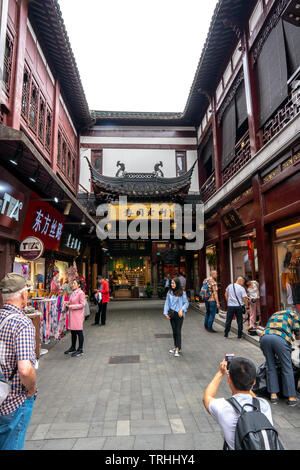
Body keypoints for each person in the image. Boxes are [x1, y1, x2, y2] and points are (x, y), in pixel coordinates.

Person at [0, 273, 37, 450]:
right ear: (23, 295)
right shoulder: (21, 323)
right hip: (13, 401)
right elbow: (24, 368)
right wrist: (31, 389)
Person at [203, 357, 273, 450]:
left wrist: (220, 373)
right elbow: (252, 396)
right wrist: (247, 380)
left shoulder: (223, 407)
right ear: (254, 382)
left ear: (229, 380)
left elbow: (207, 398)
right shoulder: (264, 404)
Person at [260, 309, 300, 406]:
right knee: (287, 367)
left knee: (270, 366)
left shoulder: (275, 313)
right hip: (280, 339)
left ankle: (273, 396)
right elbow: (298, 333)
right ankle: (291, 397)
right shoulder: (294, 315)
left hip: (264, 338)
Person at [163, 278, 189, 357]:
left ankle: (177, 349)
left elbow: (186, 303)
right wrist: (165, 313)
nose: (172, 284)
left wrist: (182, 309)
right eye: (171, 283)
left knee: (178, 331)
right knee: (174, 332)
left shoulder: (182, 293)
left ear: (177, 284)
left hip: (179, 315)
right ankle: (176, 346)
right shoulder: (169, 292)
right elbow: (167, 303)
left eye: (174, 283)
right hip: (171, 314)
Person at [64, 278, 86, 357]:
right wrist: (67, 303)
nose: (72, 285)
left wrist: (71, 306)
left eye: (74, 283)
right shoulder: (74, 292)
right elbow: (71, 302)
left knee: (79, 332)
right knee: (73, 332)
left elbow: (83, 304)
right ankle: (73, 347)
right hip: (72, 315)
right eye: (72, 283)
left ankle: (80, 349)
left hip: (77, 315)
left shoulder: (81, 293)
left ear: (79, 285)